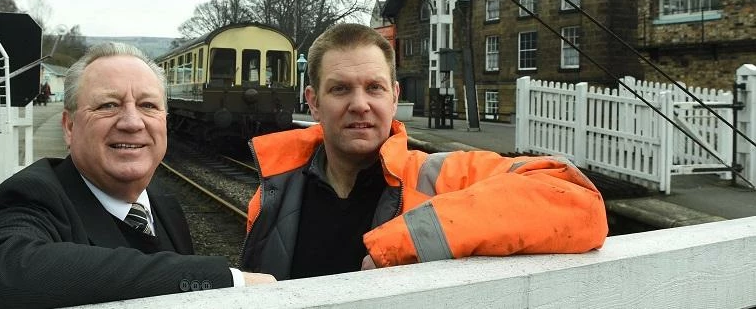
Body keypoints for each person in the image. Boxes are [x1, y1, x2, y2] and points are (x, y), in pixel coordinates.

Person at [240, 23, 607, 279]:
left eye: (374, 88)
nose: (360, 104)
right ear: (313, 102)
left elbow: (578, 200)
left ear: (395, 96)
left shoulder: (436, 177)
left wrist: (407, 242)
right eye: (340, 89)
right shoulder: (271, 196)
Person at [0, 43, 274, 309]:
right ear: (70, 127)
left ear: (165, 122)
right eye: (109, 105)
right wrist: (227, 280)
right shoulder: (31, 196)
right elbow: (6, 273)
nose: (131, 122)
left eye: (148, 105)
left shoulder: (163, 204)